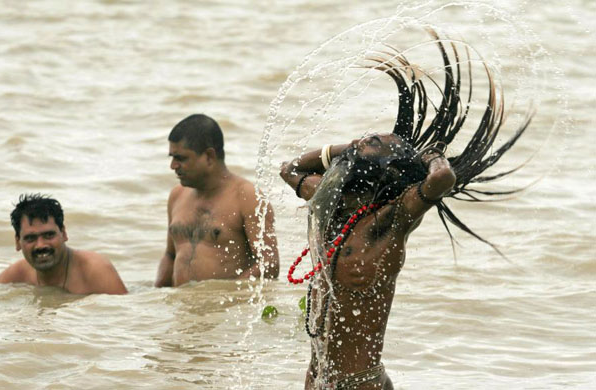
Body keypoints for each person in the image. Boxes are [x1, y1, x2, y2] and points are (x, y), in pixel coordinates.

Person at [280, 31, 533, 390]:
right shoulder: (329, 201)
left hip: (362, 383)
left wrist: (432, 155)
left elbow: (442, 178)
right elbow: (289, 169)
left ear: (389, 170)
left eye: (380, 142)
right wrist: (345, 147)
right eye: (370, 137)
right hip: (317, 378)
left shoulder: (391, 220)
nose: (371, 136)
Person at [155, 114, 279, 287]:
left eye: (181, 158)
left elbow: (269, 263)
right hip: (181, 309)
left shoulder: (247, 197)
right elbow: (170, 255)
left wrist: (227, 297)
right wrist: (158, 296)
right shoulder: (177, 195)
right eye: (172, 158)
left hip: (225, 310)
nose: (173, 166)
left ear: (209, 156)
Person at [0, 194, 127, 295]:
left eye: (49, 235)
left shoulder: (96, 270)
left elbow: (123, 321)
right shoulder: (17, 275)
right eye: (30, 238)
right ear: (17, 241)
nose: (40, 245)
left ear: (64, 233)